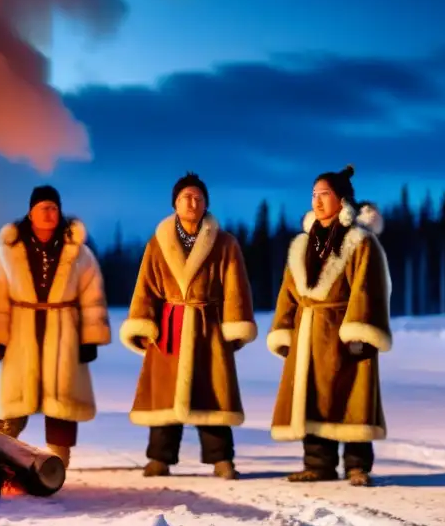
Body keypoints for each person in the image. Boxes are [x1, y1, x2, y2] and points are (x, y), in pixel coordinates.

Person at [120, 173, 257, 479]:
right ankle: (159, 458)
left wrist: (234, 329)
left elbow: (236, 287)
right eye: (186, 198)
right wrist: (143, 326)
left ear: (206, 203)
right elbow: (146, 287)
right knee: (166, 397)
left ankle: (222, 460)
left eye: (197, 198)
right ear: (175, 204)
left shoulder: (224, 243)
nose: (192, 203)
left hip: (208, 329)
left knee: (213, 394)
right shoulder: (159, 243)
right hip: (170, 328)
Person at [266, 165, 392, 486]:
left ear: (342, 200)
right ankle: (318, 464)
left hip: (343, 331)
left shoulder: (360, 243)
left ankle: (356, 466)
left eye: (325, 195)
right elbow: (288, 293)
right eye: (314, 195)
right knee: (310, 397)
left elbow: (369, 288)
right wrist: (283, 328)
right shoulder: (302, 245)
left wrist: (359, 331)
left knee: (352, 395)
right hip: (308, 330)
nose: (318, 201)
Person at [0, 185, 111, 468]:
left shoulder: (79, 253)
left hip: (65, 333)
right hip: (21, 332)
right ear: (31, 212)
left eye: (54, 208)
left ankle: (57, 464)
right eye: (43, 208)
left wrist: (90, 339)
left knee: (61, 402)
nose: (49, 213)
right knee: (12, 404)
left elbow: (92, 297)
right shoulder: (8, 252)